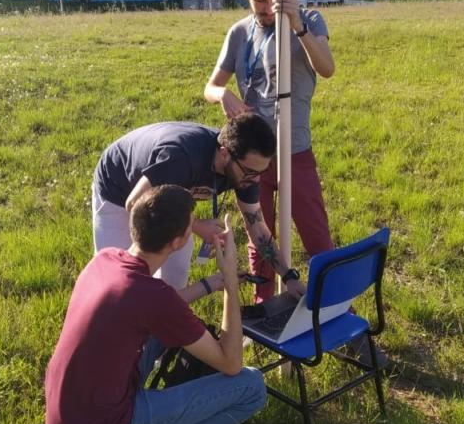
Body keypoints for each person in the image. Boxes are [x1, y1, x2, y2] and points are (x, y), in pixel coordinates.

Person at [45, 185, 266, 424]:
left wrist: (207, 284)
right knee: (251, 387)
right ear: (178, 242)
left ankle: (161, 413)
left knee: (177, 331)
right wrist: (230, 281)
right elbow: (231, 363)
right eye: (192, 225)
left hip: (68, 413)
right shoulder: (153, 297)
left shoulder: (107, 259)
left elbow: (159, 305)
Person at [204, 0, 335, 302]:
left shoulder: (309, 20)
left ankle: (337, 312)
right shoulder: (239, 33)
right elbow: (210, 85)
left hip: (295, 151)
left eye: (270, 0)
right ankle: (265, 310)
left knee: (317, 237)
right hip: (251, 158)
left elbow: (326, 68)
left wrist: (298, 25)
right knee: (259, 236)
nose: (263, 8)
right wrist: (223, 96)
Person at [92, 113, 305, 297]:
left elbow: (258, 228)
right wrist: (196, 226)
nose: (255, 181)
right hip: (118, 188)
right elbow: (135, 203)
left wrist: (288, 276)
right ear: (224, 154)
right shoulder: (181, 158)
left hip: (168, 198)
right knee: (120, 279)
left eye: (261, 172)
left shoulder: (246, 170)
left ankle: (160, 335)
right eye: (250, 172)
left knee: (174, 276)